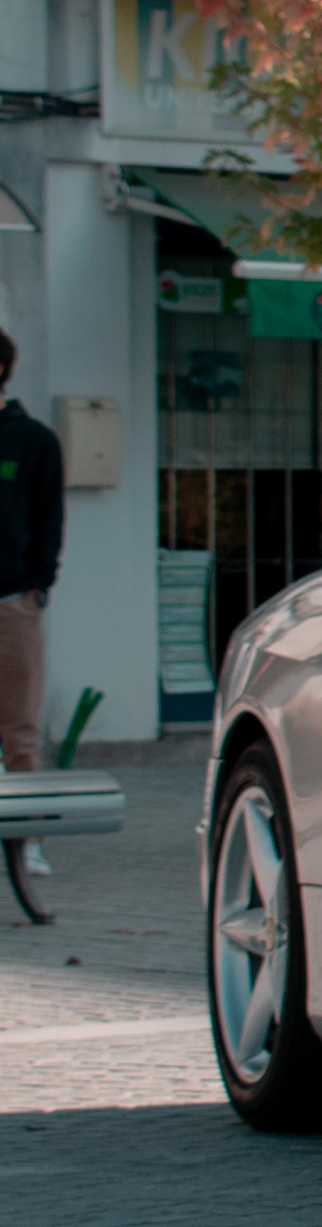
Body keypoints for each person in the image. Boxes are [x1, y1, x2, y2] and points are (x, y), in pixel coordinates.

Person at [0, 326, 66, 886]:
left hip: (11, 604)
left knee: (19, 731)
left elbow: (49, 521)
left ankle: (27, 844)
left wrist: (37, 586)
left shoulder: (34, 442)